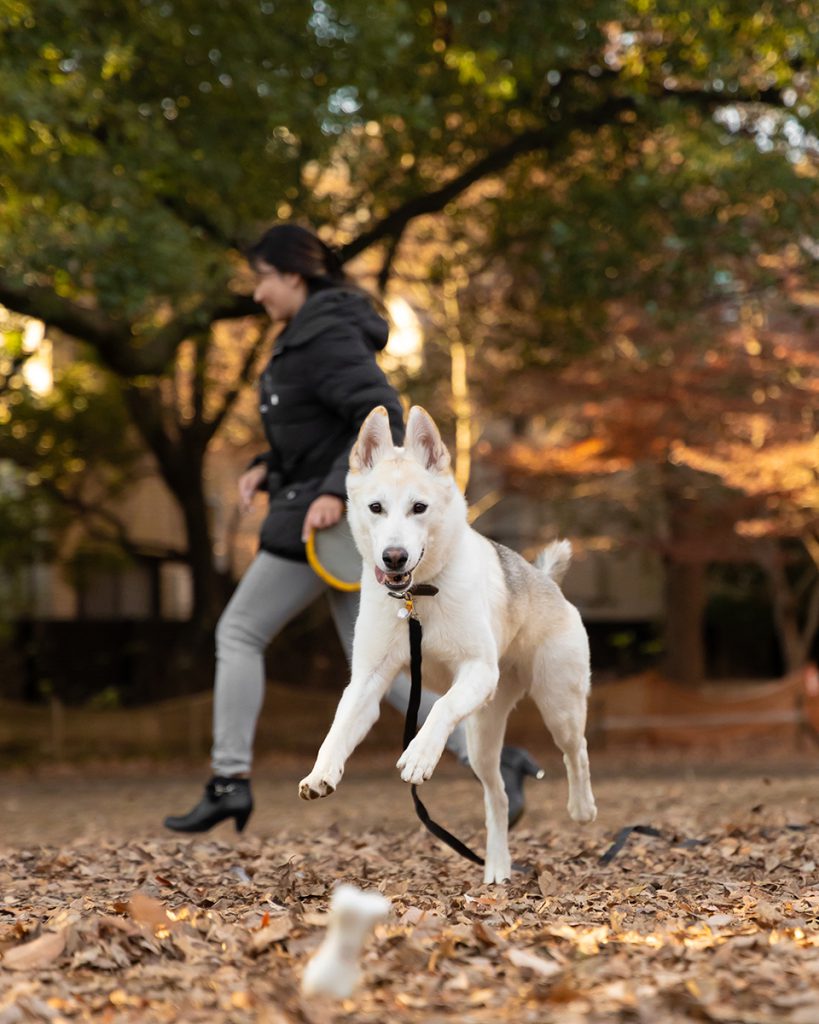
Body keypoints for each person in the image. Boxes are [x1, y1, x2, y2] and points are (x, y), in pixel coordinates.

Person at [164, 224, 542, 834]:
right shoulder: (307, 334)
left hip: (328, 526)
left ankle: (229, 779)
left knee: (238, 632)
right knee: (372, 668)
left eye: (262, 277)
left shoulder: (327, 333)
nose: (256, 293)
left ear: (292, 274)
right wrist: (270, 465)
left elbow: (380, 413)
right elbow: (317, 430)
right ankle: (496, 757)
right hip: (319, 521)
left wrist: (324, 495)